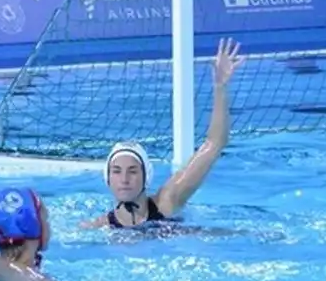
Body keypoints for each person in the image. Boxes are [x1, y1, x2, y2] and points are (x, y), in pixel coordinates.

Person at [82, 37, 244, 229]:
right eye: (117, 172)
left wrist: (220, 87)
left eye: (132, 171)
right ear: (107, 178)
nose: (124, 179)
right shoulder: (97, 228)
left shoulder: (168, 202)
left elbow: (215, 143)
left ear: (146, 176)